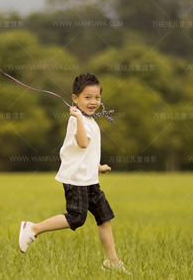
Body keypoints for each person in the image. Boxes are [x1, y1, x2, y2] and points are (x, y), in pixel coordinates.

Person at [18, 73, 129, 274]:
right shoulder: (78, 119)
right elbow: (82, 143)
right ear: (75, 99)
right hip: (76, 179)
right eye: (87, 97)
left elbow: (85, 152)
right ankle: (32, 229)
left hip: (89, 178)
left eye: (97, 97)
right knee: (77, 217)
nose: (93, 102)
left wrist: (98, 166)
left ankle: (112, 261)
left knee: (104, 217)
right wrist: (77, 118)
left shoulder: (89, 120)